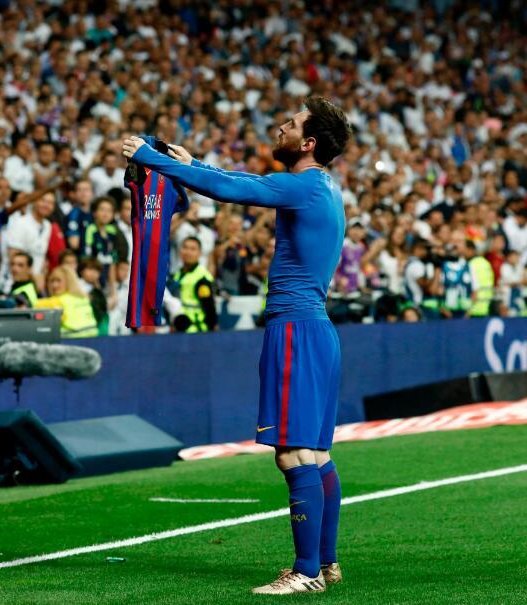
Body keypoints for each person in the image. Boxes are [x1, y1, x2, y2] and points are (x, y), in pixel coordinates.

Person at [123, 95, 351, 594]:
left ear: (308, 143)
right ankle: (326, 564)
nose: (281, 128)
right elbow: (242, 182)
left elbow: (235, 189)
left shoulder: (305, 186)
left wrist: (151, 158)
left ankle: (306, 572)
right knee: (316, 453)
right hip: (317, 330)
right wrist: (192, 164)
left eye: (290, 125)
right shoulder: (325, 188)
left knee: (293, 455)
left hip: (295, 329)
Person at [35, 265, 98, 338]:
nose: (54, 285)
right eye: (52, 281)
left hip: (70, 338)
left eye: (58, 281)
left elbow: (32, 305)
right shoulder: (83, 298)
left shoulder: (57, 301)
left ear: (69, 281)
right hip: (92, 337)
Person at [171, 237, 217, 333]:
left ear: (199, 253)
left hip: (196, 330)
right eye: (185, 248)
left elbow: (210, 308)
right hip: (180, 328)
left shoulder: (202, 278)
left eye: (193, 249)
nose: (188, 252)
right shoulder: (177, 274)